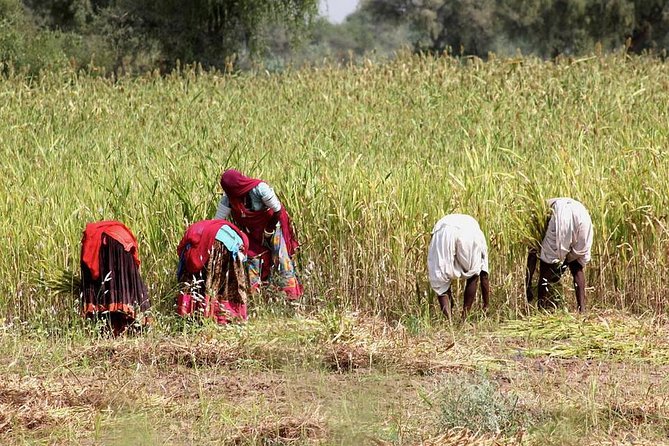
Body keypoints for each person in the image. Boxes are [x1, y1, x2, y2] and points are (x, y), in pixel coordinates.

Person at [215, 169, 303, 299]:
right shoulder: (229, 198)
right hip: (252, 231)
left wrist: (269, 230)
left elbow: (277, 210)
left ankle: (291, 297)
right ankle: (257, 297)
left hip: (273, 226)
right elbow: (218, 222)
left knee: (281, 257)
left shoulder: (259, 188)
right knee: (253, 259)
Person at [80, 221, 151, 335]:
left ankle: (112, 329)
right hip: (120, 242)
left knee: (108, 287)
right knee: (120, 287)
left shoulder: (92, 237)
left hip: (115, 243)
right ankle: (125, 327)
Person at [525, 197, 593, 312]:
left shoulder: (537, 214)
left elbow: (532, 254)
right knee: (577, 266)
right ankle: (582, 310)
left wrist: (528, 283)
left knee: (545, 266)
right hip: (583, 214)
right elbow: (569, 258)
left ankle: (541, 309)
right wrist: (561, 268)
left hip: (562, 213)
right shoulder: (547, 207)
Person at [176, 219, 249, 324]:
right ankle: (223, 316)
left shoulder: (191, 235)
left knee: (195, 278)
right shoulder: (240, 239)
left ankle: (193, 312)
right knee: (222, 283)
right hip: (226, 244)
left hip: (212, 242)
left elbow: (183, 257)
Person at [427, 214, 490, 319]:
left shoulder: (446, 223)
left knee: (440, 279)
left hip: (442, 232)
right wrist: (486, 305)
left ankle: (449, 321)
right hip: (469, 233)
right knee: (473, 275)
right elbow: (484, 275)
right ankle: (464, 319)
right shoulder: (479, 235)